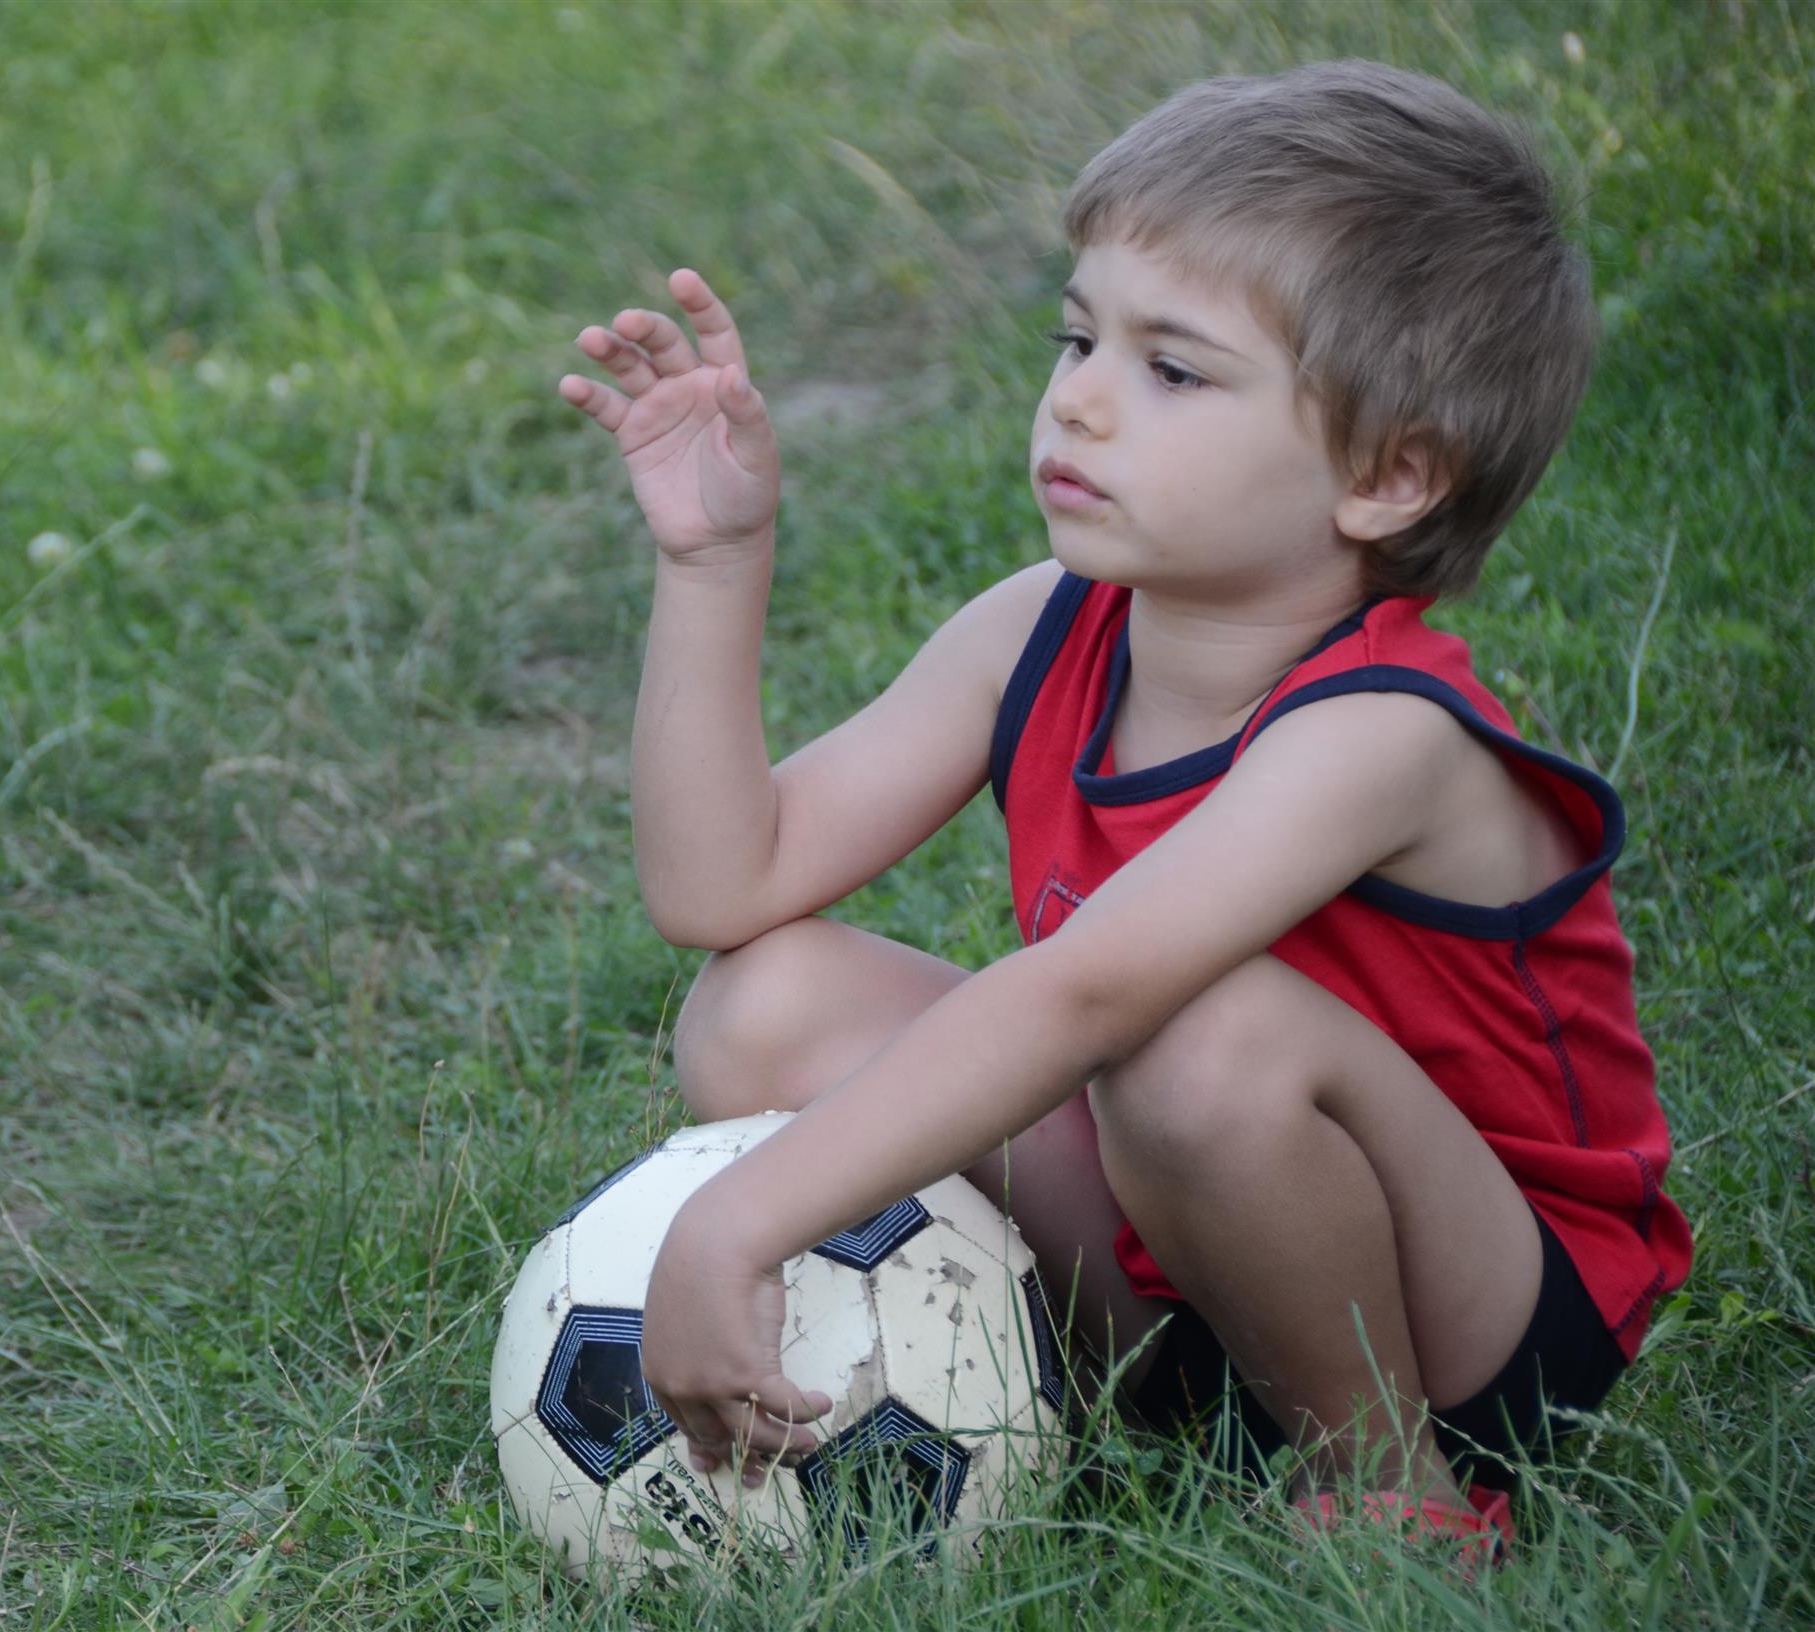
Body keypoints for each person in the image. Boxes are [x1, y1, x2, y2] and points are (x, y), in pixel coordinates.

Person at [552, 58, 1691, 1563]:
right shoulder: (1046, 626)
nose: (1079, 398)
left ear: (1389, 475)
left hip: (1479, 1316)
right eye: (1080, 336)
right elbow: (725, 886)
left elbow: (1087, 996)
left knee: (1191, 1036)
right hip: (1185, 1230)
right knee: (765, 1003)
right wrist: (711, 565)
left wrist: (741, 1218)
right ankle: (1114, 1396)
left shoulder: (1382, 732)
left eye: (1175, 372)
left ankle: (1389, 1485)